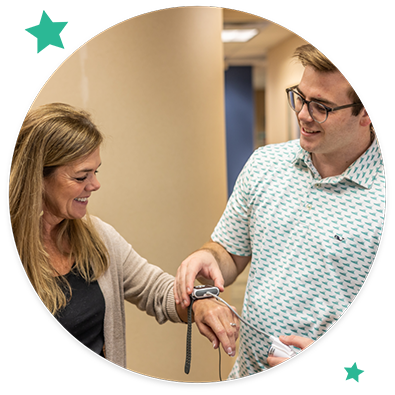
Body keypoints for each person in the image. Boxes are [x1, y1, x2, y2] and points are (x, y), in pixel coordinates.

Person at [174, 44, 385, 379]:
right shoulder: (265, 165)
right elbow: (229, 252)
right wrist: (208, 257)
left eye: (322, 107)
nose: (302, 114)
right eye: (300, 98)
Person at [9, 103, 239, 370]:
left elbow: (156, 290)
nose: (95, 185)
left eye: (96, 172)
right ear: (37, 177)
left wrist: (200, 302)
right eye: (82, 176)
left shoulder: (99, 237)